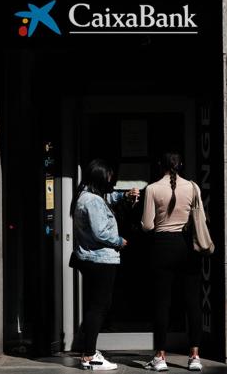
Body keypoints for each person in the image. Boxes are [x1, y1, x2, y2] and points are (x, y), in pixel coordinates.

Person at [71, 159, 139, 371]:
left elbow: (109, 197)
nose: (112, 180)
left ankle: (89, 352)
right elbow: (101, 232)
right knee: (98, 307)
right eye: (108, 177)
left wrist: (124, 195)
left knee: (97, 306)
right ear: (100, 178)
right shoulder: (93, 201)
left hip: (92, 259)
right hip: (100, 259)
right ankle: (89, 355)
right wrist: (119, 241)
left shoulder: (86, 196)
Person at [141, 153, 204, 372]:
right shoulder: (193, 187)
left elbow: (148, 225)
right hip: (187, 246)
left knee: (162, 303)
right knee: (192, 302)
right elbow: (199, 219)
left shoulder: (152, 189)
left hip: (162, 246)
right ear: (180, 165)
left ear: (161, 165)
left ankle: (160, 357)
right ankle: (194, 356)